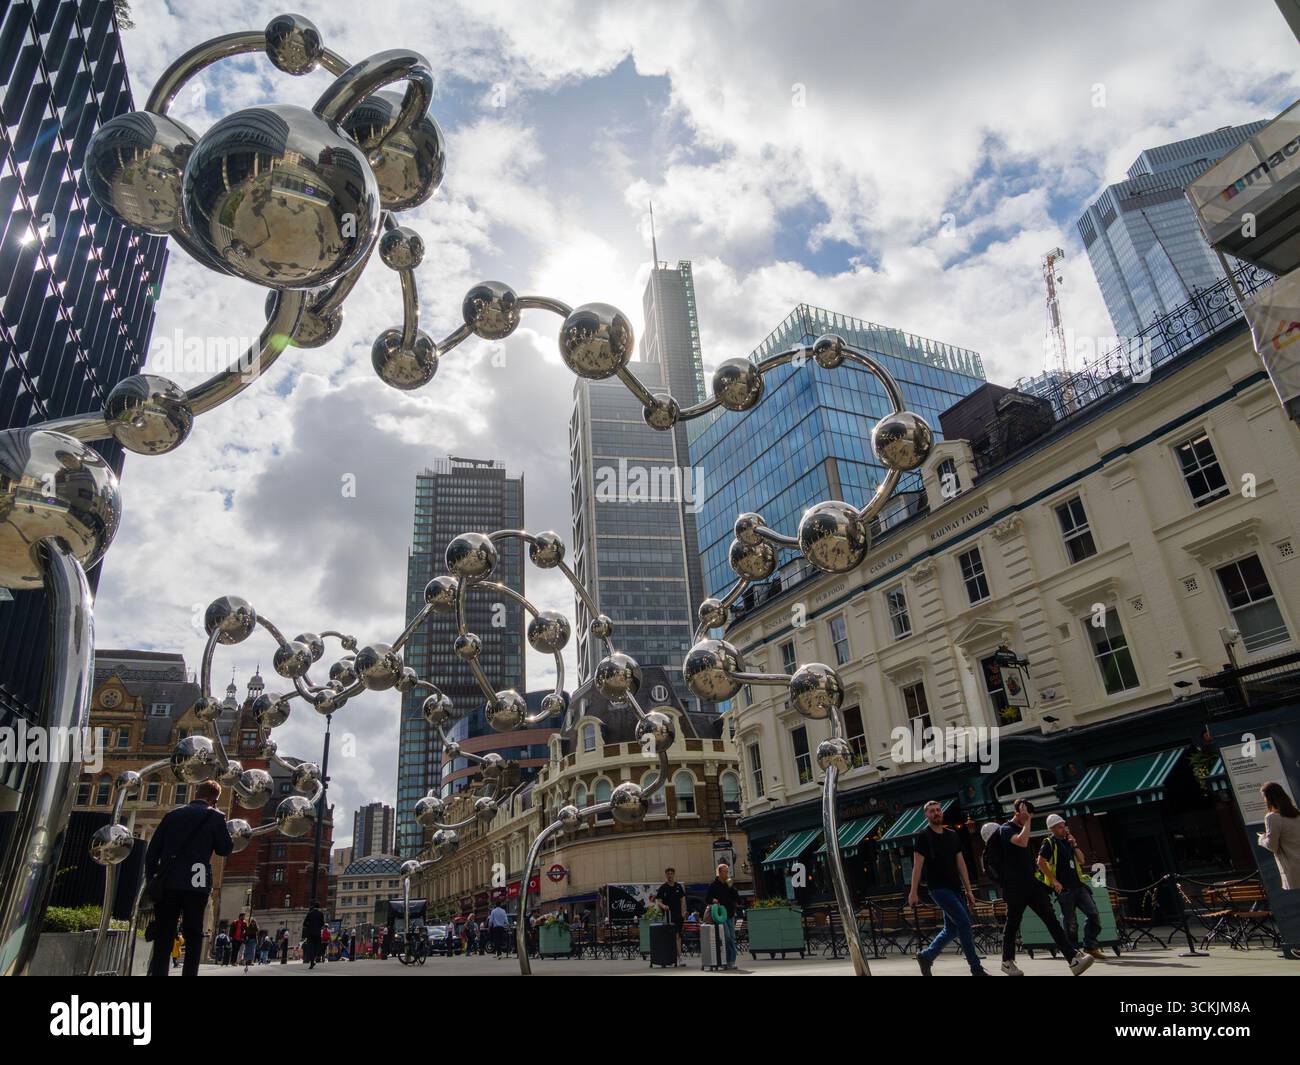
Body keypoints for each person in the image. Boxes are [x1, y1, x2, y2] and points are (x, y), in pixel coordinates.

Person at [145, 779, 234, 977]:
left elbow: (152, 851)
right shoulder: (216, 816)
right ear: (214, 799)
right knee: (193, 932)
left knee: (164, 933)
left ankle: (159, 973)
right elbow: (224, 849)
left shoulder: (173, 814)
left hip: (169, 880)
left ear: (196, 794)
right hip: (197, 880)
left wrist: (151, 878)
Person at [996, 800, 1093, 976]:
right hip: (1015, 886)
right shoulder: (1006, 829)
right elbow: (1022, 842)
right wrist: (1026, 822)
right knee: (1012, 924)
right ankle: (1007, 961)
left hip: (1031, 884)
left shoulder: (1023, 826)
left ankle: (1073, 959)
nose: (1029, 818)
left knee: (1051, 920)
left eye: (1030, 815)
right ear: (1017, 813)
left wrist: (1027, 821)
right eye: (1026, 814)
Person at [909, 800, 988, 976]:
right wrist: (913, 891)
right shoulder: (924, 837)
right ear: (926, 815)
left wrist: (969, 891)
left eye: (938, 810)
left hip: (955, 888)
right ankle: (976, 968)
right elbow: (917, 866)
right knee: (964, 922)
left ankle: (926, 956)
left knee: (951, 929)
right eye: (931, 811)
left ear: (942, 813)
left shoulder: (952, 835)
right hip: (938, 888)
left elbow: (961, 863)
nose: (936, 813)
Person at [1038, 814, 1103, 958]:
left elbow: (1081, 860)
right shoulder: (1049, 842)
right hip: (1065, 889)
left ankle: (1090, 946)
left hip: (1079, 886)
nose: (1064, 828)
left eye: (1063, 825)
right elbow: (1040, 862)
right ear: (1052, 828)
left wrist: (1074, 844)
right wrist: (1054, 881)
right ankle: (1073, 951)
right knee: (1070, 922)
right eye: (1060, 826)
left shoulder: (1069, 841)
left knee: (1093, 915)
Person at [1257, 781, 1300, 889]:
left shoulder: (1272, 817)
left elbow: (1272, 846)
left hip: (1293, 866)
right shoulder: (1297, 813)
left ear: (1268, 799)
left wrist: (1262, 839)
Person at [704, 862, 742, 970]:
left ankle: (731, 961)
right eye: (725, 872)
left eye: (727, 872)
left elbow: (736, 896)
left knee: (732, 938)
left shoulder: (728, 883)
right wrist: (713, 900)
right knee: (727, 937)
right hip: (721, 915)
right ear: (719, 873)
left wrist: (733, 889)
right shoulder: (713, 885)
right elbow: (707, 898)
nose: (727, 874)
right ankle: (724, 961)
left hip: (730, 913)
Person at [656, 867, 687, 965]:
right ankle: (678, 957)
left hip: (679, 915)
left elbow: (683, 900)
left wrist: (683, 912)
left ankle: (678, 956)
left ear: (674, 875)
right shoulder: (663, 888)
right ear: (666, 875)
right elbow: (658, 901)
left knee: (678, 936)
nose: (670, 875)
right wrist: (664, 906)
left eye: (671, 873)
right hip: (669, 915)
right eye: (668, 873)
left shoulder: (678, 887)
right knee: (675, 935)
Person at [302, 904, 325, 969]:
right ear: (319, 907)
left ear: (313, 907)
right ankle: (314, 958)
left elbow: (304, 923)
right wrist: (318, 927)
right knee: (316, 947)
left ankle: (312, 961)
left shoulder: (310, 913)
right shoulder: (320, 914)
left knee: (311, 947)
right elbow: (322, 923)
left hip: (310, 933)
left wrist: (309, 927)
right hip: (317, 933)